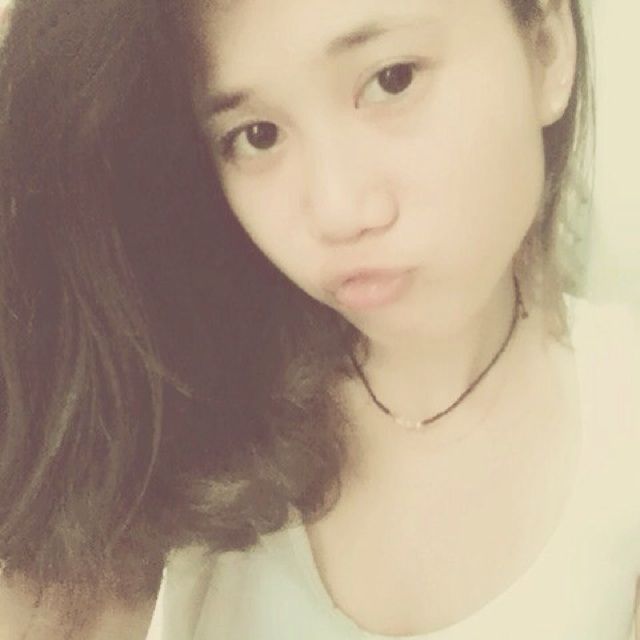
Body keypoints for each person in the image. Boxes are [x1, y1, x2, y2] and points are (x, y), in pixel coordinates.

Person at [0, 1, 638, 639]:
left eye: (392, 80)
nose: (337, 211)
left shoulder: (621, 414)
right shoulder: (168, 412)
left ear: (547, 47)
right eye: (257, 135)